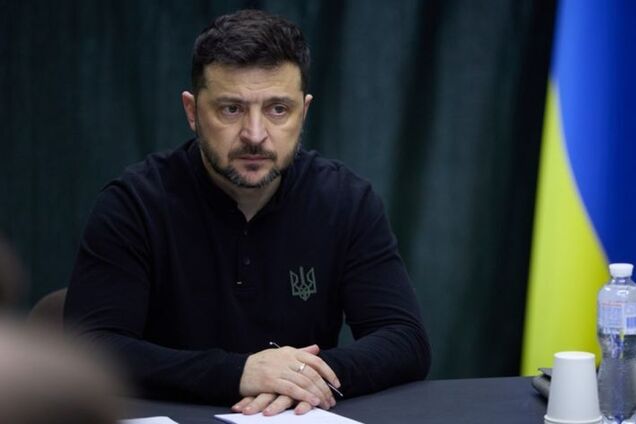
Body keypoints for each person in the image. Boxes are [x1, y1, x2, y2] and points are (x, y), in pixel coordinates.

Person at [64, 9, 431, 416]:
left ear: (304, 112)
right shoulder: (134, 204)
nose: (255, 135)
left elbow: (405, 339)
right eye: (231, 109)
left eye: (278, 109)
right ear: (192, 112)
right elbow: (89, 348)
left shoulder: (346, 200)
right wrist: (238, 372)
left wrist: (302, 378)